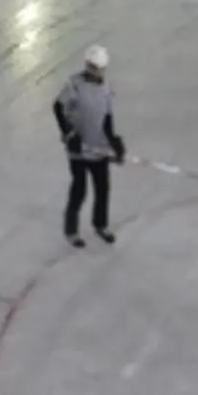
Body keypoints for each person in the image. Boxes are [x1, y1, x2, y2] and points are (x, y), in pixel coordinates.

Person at [52, 45, 124, 248]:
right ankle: (71, 230)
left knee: (103, 189)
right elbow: (57, 106)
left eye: (98, 68)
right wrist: (68, 132)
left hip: (98, 147)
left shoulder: (106, 88)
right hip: (79, 149)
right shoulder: (74, 85)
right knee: (80, 189)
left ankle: (100, 224)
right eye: (91, 67)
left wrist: (114, 142)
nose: (94, 71)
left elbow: (107, 117)